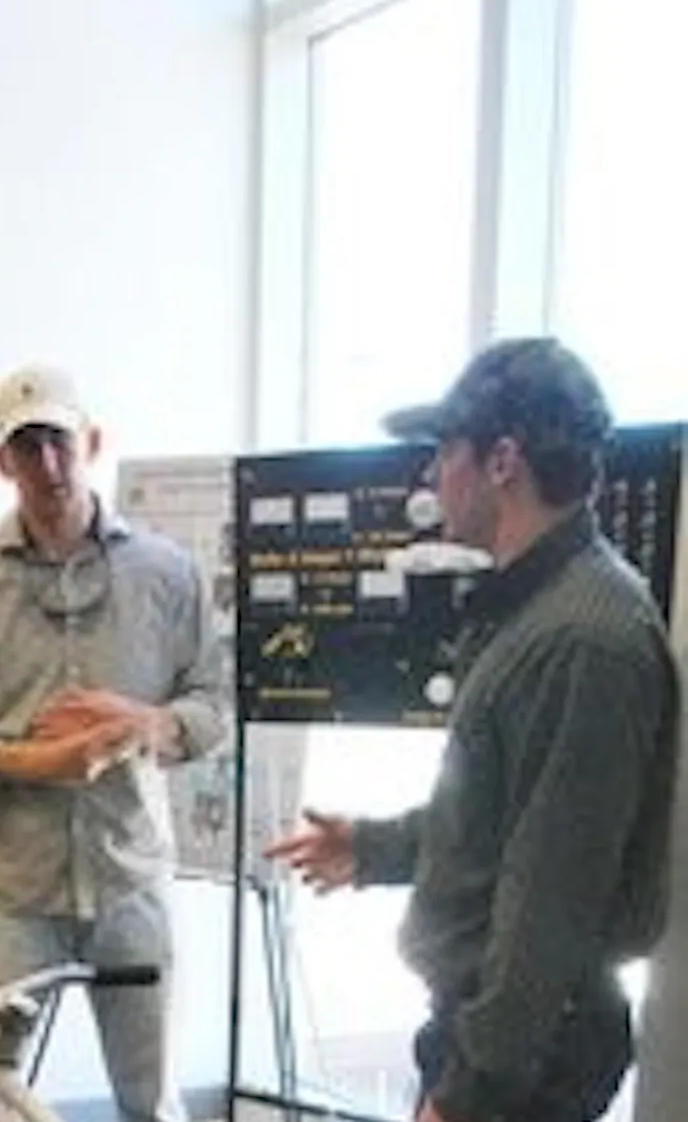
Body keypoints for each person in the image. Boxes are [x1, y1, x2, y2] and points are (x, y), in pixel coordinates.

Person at [265, 337, 681, 1122]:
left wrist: (468, 1094)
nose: (431, 474)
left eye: (443, 450)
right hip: (499, 1033)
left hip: (525, 1055)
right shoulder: (537, 609)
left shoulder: (584, 636)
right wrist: (374, 847)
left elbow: (549, 898)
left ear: (502, 461)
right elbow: (499, 823)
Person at [0, 365, 229, 1122]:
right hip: (9, 892)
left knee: (152, 1101)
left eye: (60, 442)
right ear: (1, 461)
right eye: (27, 447)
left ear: (93, 441)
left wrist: (151, 725)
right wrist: (30, 761)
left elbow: (215, 706)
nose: (47, 466)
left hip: (131, 877)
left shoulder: (169, 573)